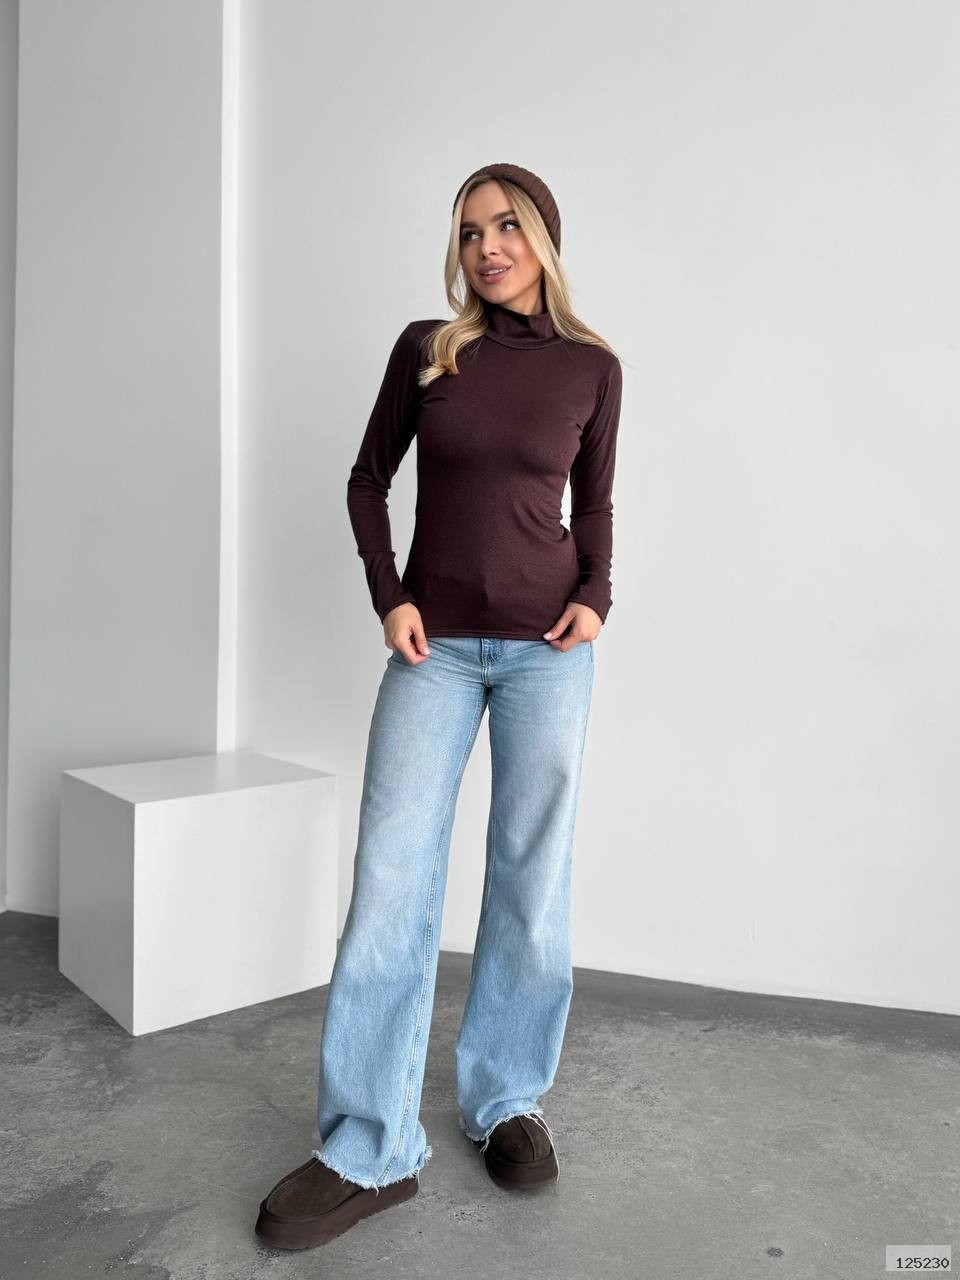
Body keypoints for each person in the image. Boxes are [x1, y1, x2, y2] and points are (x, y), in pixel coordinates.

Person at [255, 162, 623, 1252]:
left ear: (544, 238)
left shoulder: (592, 368)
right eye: (469, 232)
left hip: (550, 654)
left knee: (531, 877)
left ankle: (505, 1098)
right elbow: (367, 480)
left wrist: (597, 595)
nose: (487, 247)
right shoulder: (430, 350)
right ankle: (368, 1145)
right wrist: (391, 594)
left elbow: (595, 503)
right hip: (437, 653)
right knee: (391, 882)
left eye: (506, 226)